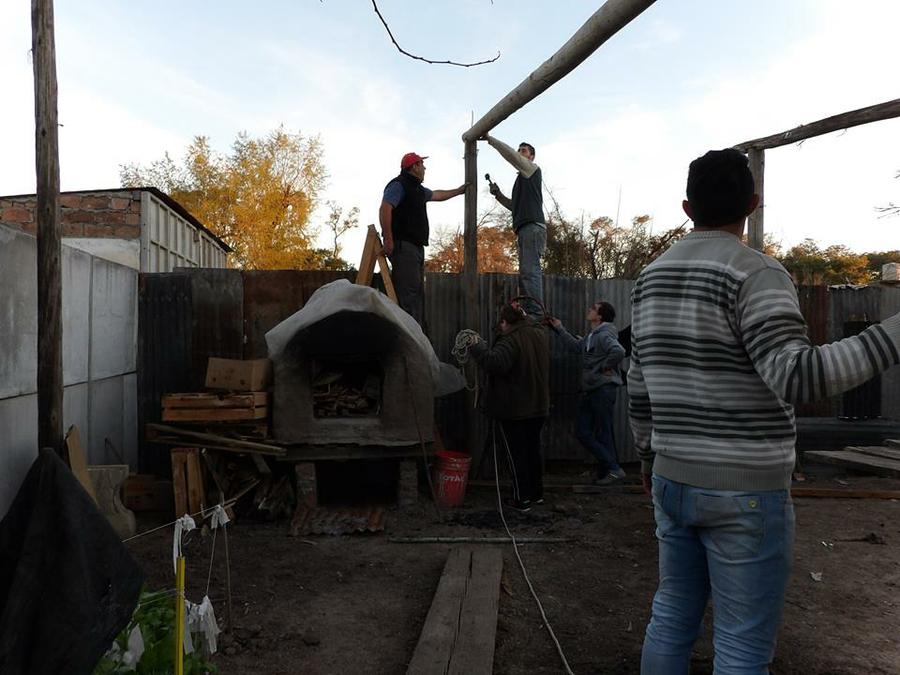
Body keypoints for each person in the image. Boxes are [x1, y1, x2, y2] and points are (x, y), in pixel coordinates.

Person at [628, 148, 900, 674]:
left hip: (671, 479)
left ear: (687, 208)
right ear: (753, 204)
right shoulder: (755, 272)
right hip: (744, 489)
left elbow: (638, 384)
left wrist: (646, 456)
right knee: (742, 647)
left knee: (672, 615)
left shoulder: (649, 279)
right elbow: (798, 377)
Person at [469, 303, 551, 512]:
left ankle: (521, 499)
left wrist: (477, 347)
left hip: (516, 409)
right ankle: (536, 494)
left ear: (505, 322)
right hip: (538, 406)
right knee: (532, 451)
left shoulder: (511, 339)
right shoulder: (538, 334)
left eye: (501, 324)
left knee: (516, 455)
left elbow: (495, 363)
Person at [380, 152, 466, 325]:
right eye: (422, 164)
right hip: (404, 247)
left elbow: (437, 195)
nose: (425, 168)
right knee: (408, 296)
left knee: (417, 294)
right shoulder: (399, 185)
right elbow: (385, 208)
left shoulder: (418, 190)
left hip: (416, 247)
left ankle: (417, 334)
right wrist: (388, 239)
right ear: (414, 167)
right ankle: (407, 337)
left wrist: (459, 191)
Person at [550, 301, 626, 485]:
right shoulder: (593, 335)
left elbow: (619, 351)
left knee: (602, 432)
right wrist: (559, 328)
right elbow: (576, 347)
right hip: (592, 390)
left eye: (593, 308)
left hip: (603, 389)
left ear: (600, 316)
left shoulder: (604, 334)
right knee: (583, 431)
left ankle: (611, 471)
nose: (589, 309)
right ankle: (610, 469)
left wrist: (604, 366)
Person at [482, 135, 546, 317]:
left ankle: (536, 314)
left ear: (531, 157)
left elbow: (510, 155)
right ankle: (532, 311)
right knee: (527, 273)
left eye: (523, 151)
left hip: (532, 227)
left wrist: (490, 139)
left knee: (530, 272)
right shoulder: (522, 180)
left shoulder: (532, 169)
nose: (519, 152)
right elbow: (514, 206)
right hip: (526, 229)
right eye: (519, 150)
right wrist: (498, 195)